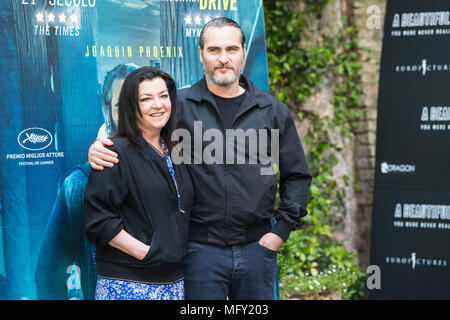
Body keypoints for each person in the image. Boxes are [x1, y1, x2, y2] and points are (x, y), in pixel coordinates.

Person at [88, 18, 312, 300]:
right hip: (198, 252)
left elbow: (297, 176)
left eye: (231, 49)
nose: (223, 58)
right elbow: (135, 137)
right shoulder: (176, 107)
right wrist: (98, 146)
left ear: (243, 52)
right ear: (201, 54)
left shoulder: (271, 111)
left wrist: (279, 233)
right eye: (214, 50)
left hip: (257, 248)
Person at [83, 66, 194, 300]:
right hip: (129, 284)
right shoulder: (113, 152)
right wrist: (148, 254)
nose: (158, 104)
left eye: (163, 96)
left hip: (172, 282)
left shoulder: (174, 151)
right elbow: (98, 221)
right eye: (146, 98)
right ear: (131, 107)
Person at [35, 63, 139, 300]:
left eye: (138, 103)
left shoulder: (175, 169)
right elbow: (48, 272)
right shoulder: (79, 185)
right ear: (107, 112)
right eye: (121, 106)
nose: (131, 116)